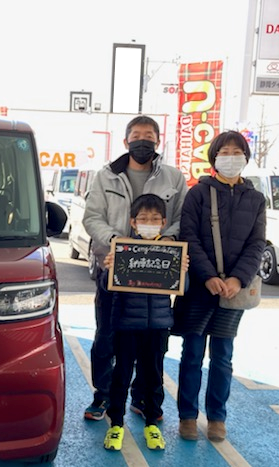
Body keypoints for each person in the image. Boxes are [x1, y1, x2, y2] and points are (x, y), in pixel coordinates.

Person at [82, 115, 189, 422]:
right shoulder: (106, 176)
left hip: (155, 271)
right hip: (113, 269)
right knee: (106, 336)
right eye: (137, 135)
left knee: (150, 340)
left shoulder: (173, 178)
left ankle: (142, 397)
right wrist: (115, 242)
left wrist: (168, 239)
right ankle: (103, 395)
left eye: (149, 136)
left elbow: (182, 218)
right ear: (126, 140)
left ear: (158, 140)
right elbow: (92, 218)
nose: (143, 140)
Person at [171, 130, 266, 442]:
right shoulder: (198, 193)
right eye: (224, 152)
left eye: (237, 152)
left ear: (246, 158)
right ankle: (187, 416)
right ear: (213, 158)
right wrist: (208, 276)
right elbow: (189, 236)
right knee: (192, 354)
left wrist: (238, 278)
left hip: (233, 291)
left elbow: (257, 244)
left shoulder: (255, 199)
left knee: (223, 357)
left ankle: (217, 418)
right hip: (201, 288)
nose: (231, 158)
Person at [101, 194, 174, 451]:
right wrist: (109, 268)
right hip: (127, 325)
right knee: (121, 374)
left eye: (155, 219)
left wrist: (182, 271)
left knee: (153, 376)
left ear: (163, 222)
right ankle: (116, 424)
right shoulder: (124, 250)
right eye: (143, 219)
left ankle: (152, 423)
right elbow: (106, 286)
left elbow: (183, 287)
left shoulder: (171, 253)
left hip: (158, 325)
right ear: (133, 222)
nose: (149, 223)